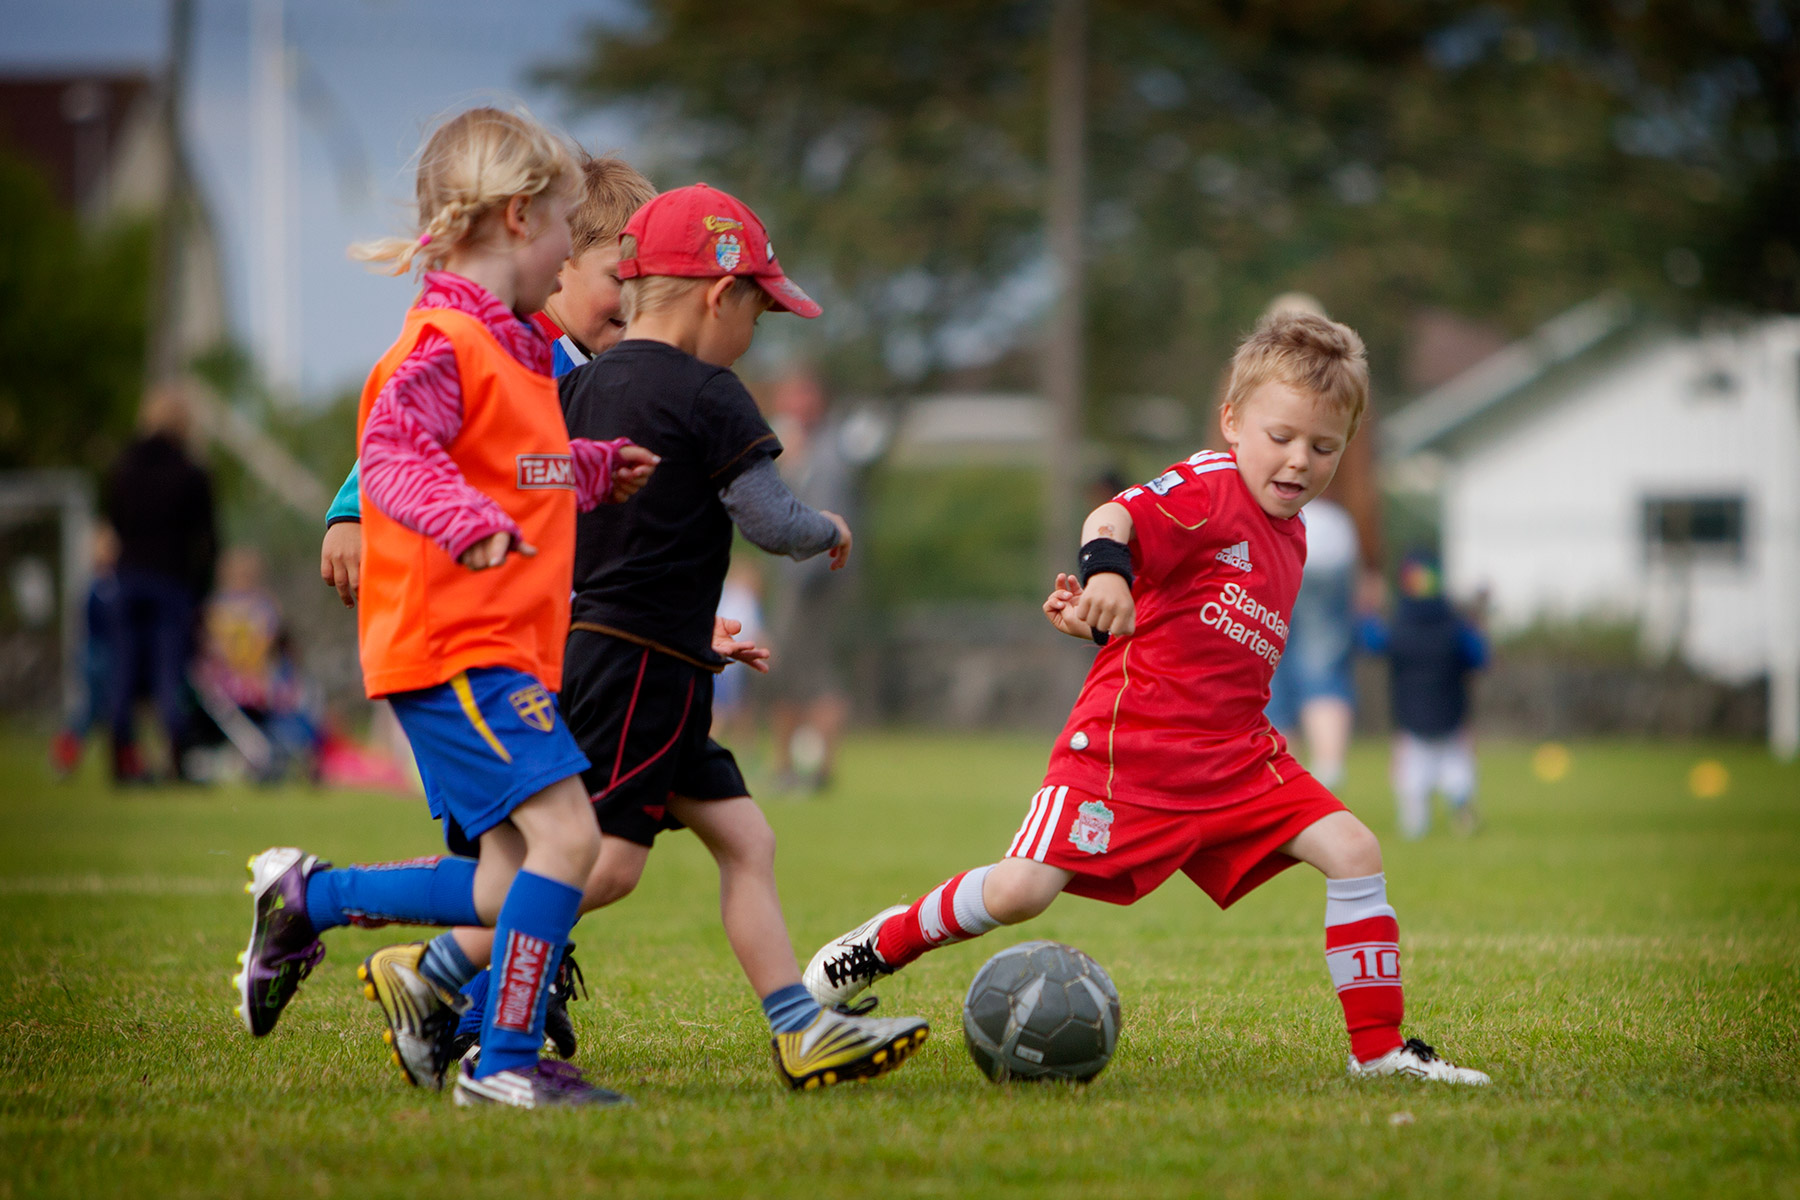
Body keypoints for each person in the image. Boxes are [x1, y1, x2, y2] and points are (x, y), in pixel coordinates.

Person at [805, 312, 1489, 1086]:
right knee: (1021, 890)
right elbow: (1114, 517)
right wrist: (1105, 577)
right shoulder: (1211, 485)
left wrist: (1105, 623)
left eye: (1323, 447)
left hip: (1235, 757)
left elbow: (1184, 625)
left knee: (1355, 851)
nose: (1299, 461)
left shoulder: (1293, 533)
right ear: (1232, 422)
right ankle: (868, 950)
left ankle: (1380, 1053)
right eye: (1281, 436)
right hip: (1125, 755)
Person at [233, 107, 658, 1110]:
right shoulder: (443, 339)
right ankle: (506, 1062)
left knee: (509, 884)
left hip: (498, 648)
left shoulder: (510, 348)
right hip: (455, 645)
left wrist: (592, 470)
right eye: (564, 223)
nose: (571, 250)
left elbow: (517, 466)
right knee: (571, 843)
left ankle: (308, 898)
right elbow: (392, 454)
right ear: (517, 219)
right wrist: (461, 523)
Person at [544, 182, 930, 1090]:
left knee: (747, 840)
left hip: (640, 654)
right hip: (640, 666)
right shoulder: (713, 391)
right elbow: (768, 519)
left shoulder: (574, 386)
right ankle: (449, 973)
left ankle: (800, 1032)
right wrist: (827, 528)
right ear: (719, 296)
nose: (756, 334)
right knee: (602, 868)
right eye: (758, 311)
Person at [319, 152, 657, 608]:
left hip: (518, 613)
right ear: (562, 261)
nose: (634, 301)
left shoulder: (585, 366)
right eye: (619, 278)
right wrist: (352, 514)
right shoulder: (507, 345)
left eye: (648, 284)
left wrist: (593, 469)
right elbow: (402, 424)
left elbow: (520, 467)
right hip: (450, 616)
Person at [1254, 294, 1383, 789]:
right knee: (1325, 661)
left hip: (1274, 539)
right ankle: (1328, 768)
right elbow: (1362, 492)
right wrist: (1372, 567)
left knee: (1268, 659)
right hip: (1333, 541)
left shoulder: (1255, 394)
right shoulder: (1343, 392)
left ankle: (1282, 775)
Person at [102, 384, 218, 784]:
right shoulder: (190, 472)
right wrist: (202, 593)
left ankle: (121, 760)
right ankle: (175, 760)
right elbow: (207, 540)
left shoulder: (123, 467)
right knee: (170, 675)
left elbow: (114, 524)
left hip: (128, 579)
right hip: (171, 583)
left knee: (124, 672)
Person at [764, 368, 854, 793]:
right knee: (795, 675)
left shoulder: (827, 458)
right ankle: (793, 770)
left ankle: (811, 772)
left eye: (798, 395)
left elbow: (822, 527)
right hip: (800, 581)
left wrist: (799, 587)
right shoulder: (805, 452)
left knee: (808, 677)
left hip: (811, 583)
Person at [1361, 551, 1488, 839]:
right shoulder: (1455, 629)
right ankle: (1462, 806)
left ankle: (1414, 823)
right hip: (1452, 718)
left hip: (1410, 721)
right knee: (1457, 768)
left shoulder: (1397, 630)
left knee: (1411, 777)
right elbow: (1479, 656)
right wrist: (1477, 621)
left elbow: (1370, 642)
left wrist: (1368, 609)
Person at [50, 526, 121, 778]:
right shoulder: (99, 587)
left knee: (110, 711)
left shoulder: (114, 582)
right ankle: (64, 755)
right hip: (98, 655)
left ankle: (122, 761)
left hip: (107, 654)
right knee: (91, 711)